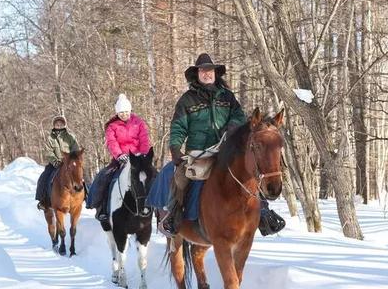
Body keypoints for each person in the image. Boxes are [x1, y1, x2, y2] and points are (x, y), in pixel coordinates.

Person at [155, 53, 285, 237]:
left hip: (227, 150)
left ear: (215, 73)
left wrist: (230, 129)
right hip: (199, 153)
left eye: (210, 70)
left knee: (249, 171)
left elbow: (240, 118)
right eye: (203, 71)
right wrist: (176, 149)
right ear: (197, 74)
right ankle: (174, 215)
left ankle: (262, 213)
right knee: (180, 176)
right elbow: (178, 127)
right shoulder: (187, 100)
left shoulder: (228, 97)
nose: (207, 74)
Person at [88, 94, 151, 222]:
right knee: (104, 176)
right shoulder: (112, 126)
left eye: (126, 112)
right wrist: (119, 155)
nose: (124, 115)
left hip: (138, 158)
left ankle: (156, 207)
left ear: (130, 110)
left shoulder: (139, 123)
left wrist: (143, 154)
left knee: (152, 176)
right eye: (121, 113)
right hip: (120, 159)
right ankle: (102, 208)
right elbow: (112, 142)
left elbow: (144, 139)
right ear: (117, 113)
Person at [36, 115, 80, 210]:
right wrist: (55, 161)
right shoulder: (50, 138)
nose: (59, 126)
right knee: (44, 177)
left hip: (69, 163)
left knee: (80, 175)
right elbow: (49, 152)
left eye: (61, 124)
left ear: (64, 125)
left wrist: (71, 159)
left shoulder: (70, 136)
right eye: (57, 124)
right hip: (55, 164)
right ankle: (43, 200)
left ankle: (86, 196)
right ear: (54, 126)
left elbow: (75, 148)